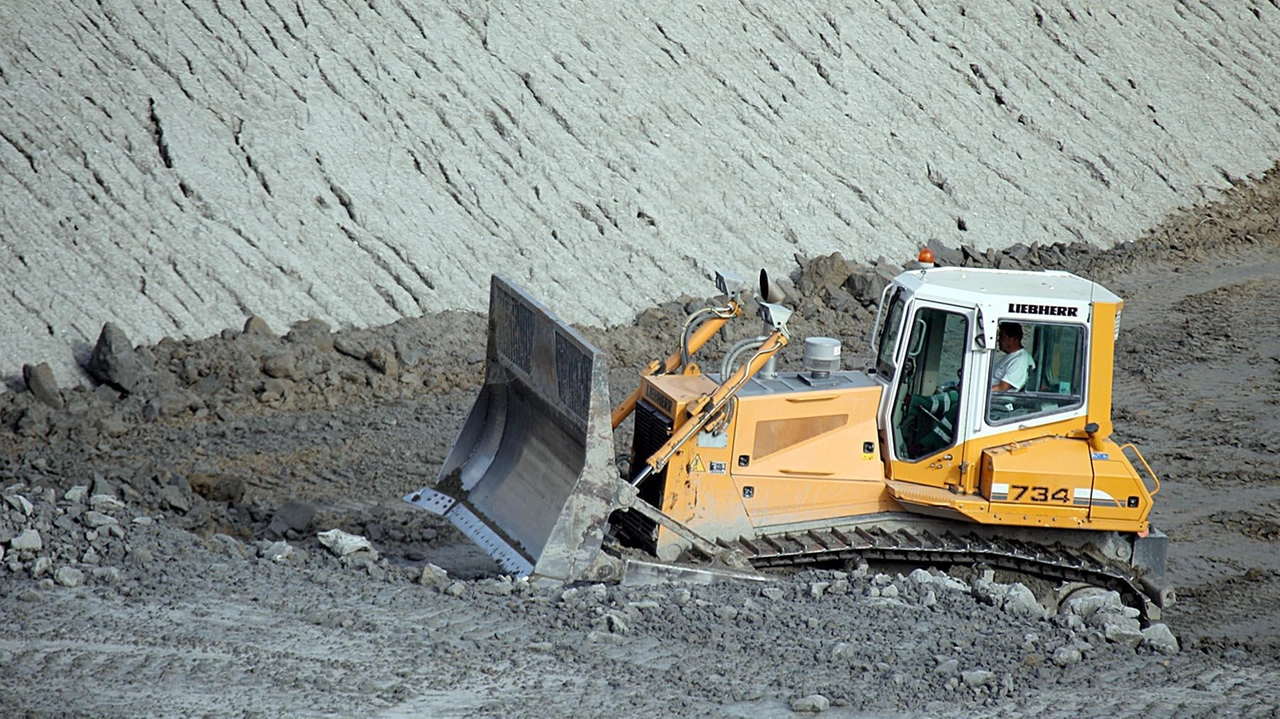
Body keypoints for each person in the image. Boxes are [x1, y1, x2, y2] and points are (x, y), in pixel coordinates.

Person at [991, 322, 1034, 391]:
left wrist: (982, 391)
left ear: (1014, 339)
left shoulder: (1019, 361)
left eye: (1002, 337)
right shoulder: (1012, 356)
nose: (999, 340)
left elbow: (1002, 388)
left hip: (998, 399)